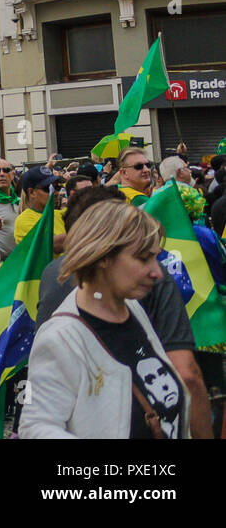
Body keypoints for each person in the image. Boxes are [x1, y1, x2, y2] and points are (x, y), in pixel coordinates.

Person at [35, 185, 214, 439]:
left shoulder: (132, 310)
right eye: (143, 258)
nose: (156, 272)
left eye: (155, 257)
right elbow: (36, 425)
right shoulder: (58, 334)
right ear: (104, 255)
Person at [12, 166, 66, 254]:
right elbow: (52, 245)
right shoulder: (23, 221)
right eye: (48, 188)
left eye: (57, 187)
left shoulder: (58, 214)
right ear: (31, 192)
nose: (56, 193)